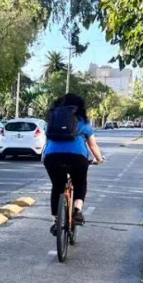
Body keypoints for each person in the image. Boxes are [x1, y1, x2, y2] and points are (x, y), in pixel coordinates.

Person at [43, 93, 104, 231]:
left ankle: (56, 221)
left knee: (57, 187)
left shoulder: (53, 119)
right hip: (77, 157)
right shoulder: (83, 121)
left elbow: (48, 140)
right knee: (80, 182)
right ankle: (77, 210)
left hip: (52, 157)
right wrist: (99, 159)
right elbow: (92, 145)